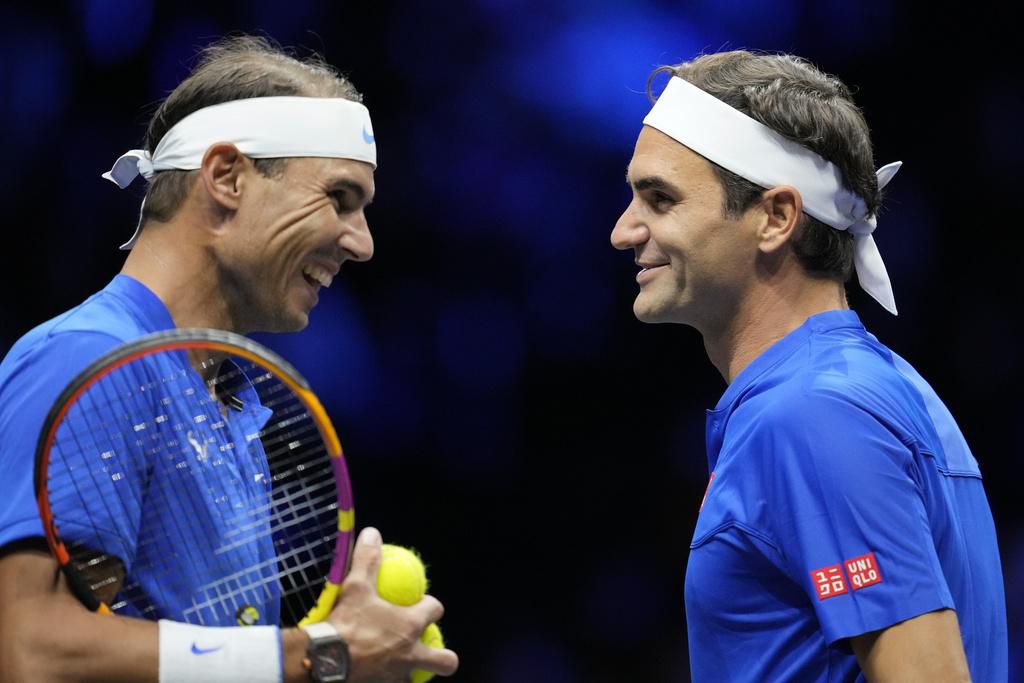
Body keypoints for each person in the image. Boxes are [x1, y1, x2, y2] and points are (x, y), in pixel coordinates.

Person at [0, 36, 459, 683]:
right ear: (226, 178)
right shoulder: (87, 358)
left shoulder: (230, 400)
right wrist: (320, 652)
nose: (362, 243)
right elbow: (30, 647)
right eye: (339, 198)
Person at [611, 50, 1006, 682]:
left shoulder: (814, 414)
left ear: (776, 218)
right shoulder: (876, 388)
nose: (623, 231)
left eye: (660, 199)